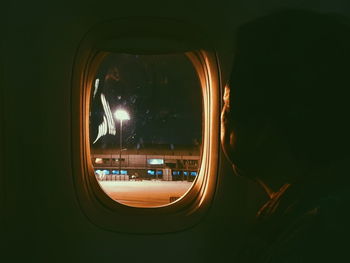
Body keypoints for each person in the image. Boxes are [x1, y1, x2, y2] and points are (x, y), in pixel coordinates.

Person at [221, 9, 350, 262]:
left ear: (263, 130)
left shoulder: (316, 236)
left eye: (226, 106)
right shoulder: (312, 208)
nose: (220, 120)